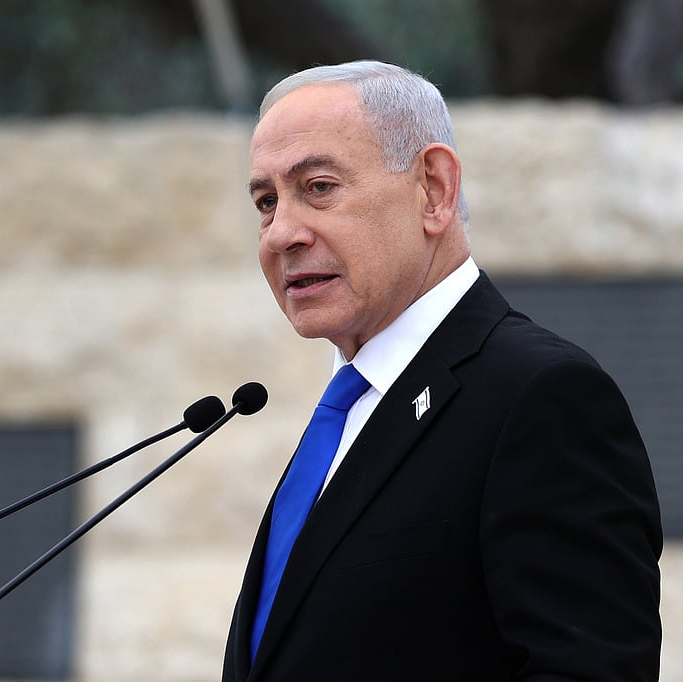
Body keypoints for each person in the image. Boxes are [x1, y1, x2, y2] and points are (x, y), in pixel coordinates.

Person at [222, 60, 662, 681]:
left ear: (434, 188)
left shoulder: (539, 398)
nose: (281, 234)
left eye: (318, 187)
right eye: (267, 203)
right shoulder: (351, 412)